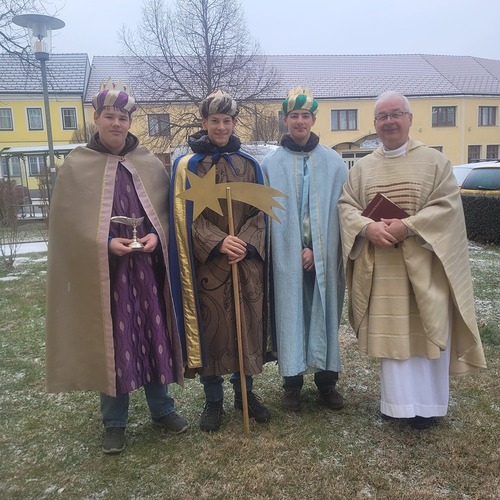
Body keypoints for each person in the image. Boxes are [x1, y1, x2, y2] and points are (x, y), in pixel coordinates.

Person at [46, 79, 187, 454]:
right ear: (96, 118)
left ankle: (162, 409)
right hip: (106, 274)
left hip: (148, 271)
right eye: (109, 116)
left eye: (122, 118)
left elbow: (166, 213)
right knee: (114, 342)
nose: (116, 124)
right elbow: (67, 226)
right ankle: (114, 422)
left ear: (129, 122)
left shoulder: (148, 163)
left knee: (154, 336)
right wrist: (106, 242)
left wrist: (157, 235)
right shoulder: (77, 166)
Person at [338, 91, 486, 429]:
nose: (389, 121)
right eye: (382, 116)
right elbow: (346, 206)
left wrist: (409, 226)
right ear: (375, 124)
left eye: (396, 114)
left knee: (427, 329)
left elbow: (447, 207)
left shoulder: (435, 162)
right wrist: (367, 228)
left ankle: (429, 407)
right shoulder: (363, 168)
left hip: (425, 264)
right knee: (395, 336)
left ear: (409, 119)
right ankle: (398, 405)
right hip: (384, 268)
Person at [169, 90, 271, 432]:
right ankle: (213, 400)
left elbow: (261, 213)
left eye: (227, 121)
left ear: (234, 123)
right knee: (213, 330)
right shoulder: (188, 167)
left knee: (245, 329)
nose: (221, 127)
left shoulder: (250, 165)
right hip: (210, 267)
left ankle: (245, 394)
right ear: (204, 122)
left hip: (245, 263)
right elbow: (183, 217)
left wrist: (246, 243)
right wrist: (217, 241)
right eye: (215, 121)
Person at [261, 87, 348, 412]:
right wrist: (294, 249)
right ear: (285, 120)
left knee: (324, 312)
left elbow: (340, 212)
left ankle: (327, 382)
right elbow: (268, 215)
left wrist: (316, 250)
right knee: (291, 313)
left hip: (325, 254)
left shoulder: (334, 163)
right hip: (287, 257)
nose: (300, 121)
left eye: (305, 116)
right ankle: (292, 384)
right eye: (294, 116)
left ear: (313, 120)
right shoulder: (271, 164)